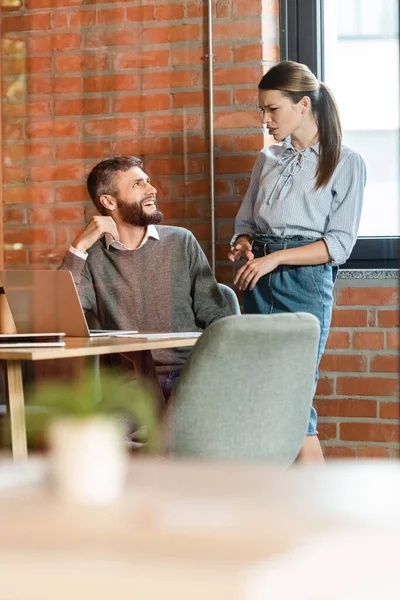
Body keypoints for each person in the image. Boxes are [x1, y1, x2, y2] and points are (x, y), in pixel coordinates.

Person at [228, 61, 366, 462]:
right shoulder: (267, 158)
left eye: (272, 109)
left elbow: (338, 245)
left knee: (294, 398)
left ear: (303, 104)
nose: (265, 119)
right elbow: (245, 220)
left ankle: (315, 510)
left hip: (305, 285)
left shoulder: (346, 161)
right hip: (256, 281)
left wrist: (277, 260)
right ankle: (278, 504)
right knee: (260, 396)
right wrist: (243, 243)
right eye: (262, 111)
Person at [60, 155, 232, 401]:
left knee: (186, 434)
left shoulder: (181, 241)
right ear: (109, 201)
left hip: (191, 374)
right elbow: (61, 316)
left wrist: (213, 373)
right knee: (106, 437)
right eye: (137, 184)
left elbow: (219, 318)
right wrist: (78, 248)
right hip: (130, 384)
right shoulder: (92, 257)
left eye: (148, 181)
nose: (152, 190)